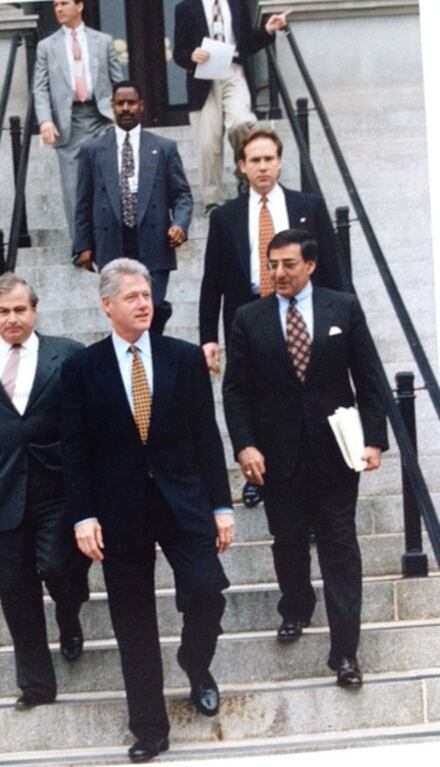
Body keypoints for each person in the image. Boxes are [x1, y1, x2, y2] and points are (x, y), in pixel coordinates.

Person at [61, 258, 234, 763]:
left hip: (184, 503)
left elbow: (207, 438)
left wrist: (222, 504)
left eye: (147, 295)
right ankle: (150, 728)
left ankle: (195, 662)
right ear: (107, 304)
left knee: (207, 591)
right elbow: (75, 450)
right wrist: (83, 515)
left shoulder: (182, 358)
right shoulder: (81, 368)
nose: (144, 303)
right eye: (132, 297)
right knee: (132, 621)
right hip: (118, 512)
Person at [222, 229, 388, 688]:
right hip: (278, 454)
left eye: (288, 265)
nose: (278, 273)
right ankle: (295, 605)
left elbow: (369, 376)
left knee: (340, 547)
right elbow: (235, 391)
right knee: (288, 540)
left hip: (335, 451)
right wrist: (245, 445)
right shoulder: (248, 318)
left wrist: (374, 439)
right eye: (271, 265)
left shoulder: (343, 307)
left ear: (310, 265)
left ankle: (345, 653)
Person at [0, 273, 90, 711]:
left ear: (35, 310)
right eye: (4, 312)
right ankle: (36, 686)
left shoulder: (67, 355)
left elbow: (88, 425)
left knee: (59, 566)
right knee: (15, 592)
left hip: (58, 490)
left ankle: (69, 613)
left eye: (20, 310)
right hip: (1, 496)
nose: (13, 319)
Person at [200, 126, 345, 508]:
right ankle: (258, 475)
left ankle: (315, 474)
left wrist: (342, 319)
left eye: (269, 159)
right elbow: (211, 281)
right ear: (241, 167)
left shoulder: (308, 207)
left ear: (280, 163)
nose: (263, 167)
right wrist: (208, 337)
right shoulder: (226, 217)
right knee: (254, 396)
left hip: (303, 311)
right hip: (248, 316)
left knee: (304, 393)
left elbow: (331, 266)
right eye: (254, 161)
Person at [74, 80, 193, 334]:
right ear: (112, 107)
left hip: (154, 244)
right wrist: (83, 244)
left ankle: (152, 358)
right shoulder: (93, 150)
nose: (126, 108)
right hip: (112, 245)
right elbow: (83, 200)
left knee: (150, 311)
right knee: (123, 315)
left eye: (131, 103)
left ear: (141, 106)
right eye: (120, 103)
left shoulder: (163, 148)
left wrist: (179, 224)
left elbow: (182, 195)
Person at [173, 0, 290, 215]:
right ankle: (213, 202)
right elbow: (178, 52)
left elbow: (246, 43)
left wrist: (267, 30)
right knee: (208, 144)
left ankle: (244, 175)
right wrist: (191, 56)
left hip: (233, 72)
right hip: (203, 77)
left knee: (242, 123)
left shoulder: (237, 4)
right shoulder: (186, 7)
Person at [33, 0, 123, 250]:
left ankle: (112, 239)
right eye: (55, 5)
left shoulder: (102, 41)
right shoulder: (46, 47)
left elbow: (119, 82)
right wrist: (45, 120)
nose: (58, 9)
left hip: (100, 117)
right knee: (73, 188)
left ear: (80, 6)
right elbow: (40, 88)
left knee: (108, 179)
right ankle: (81, 246)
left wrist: (122, 116)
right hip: (68, 121)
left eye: (64, 3)